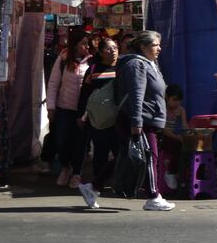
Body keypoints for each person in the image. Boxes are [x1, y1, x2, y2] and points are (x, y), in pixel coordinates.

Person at [117, 30, 175, 211]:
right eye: (155, 45)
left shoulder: (150, 63)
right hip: (142, 119)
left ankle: (92, 186)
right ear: (143, 47)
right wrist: (137, 123)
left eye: (159, 45)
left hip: (150, 119)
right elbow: (136, 95)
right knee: (150, 157)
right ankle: (153, 196)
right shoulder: (136, 64)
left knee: (131, 155)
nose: (159, 48)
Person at [77, 37, 120, 209]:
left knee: (120, 152)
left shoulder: (123, 68)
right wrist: (81, 115)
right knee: (100, 153)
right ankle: (97, 186)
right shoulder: (94, 69)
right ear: (101, 52)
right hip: (99, 120)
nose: (113, 51)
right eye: (109, 49)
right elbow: (85, 93)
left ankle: (115, 183)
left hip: (118, 119)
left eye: (115, 48)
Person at [46, 29, 91, 189]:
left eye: (87, 43)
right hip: (64, 108)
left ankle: (77, 173)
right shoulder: (63, 59)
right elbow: (53, 84)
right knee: (61, 140)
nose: (86, 47)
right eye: (83, 43)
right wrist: (51, 108)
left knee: (81, 143)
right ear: (75, 45)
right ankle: (66, 166)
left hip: (83, 111)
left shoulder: (92, 61)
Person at [160, 84, 188, 193]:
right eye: (174, 100)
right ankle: (171, 172)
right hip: (164, 137)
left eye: (179, 101)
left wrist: (186, 136)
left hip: (175, 137)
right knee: (176, 144)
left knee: (183, 147)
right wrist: (177, 137)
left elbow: (185, 126)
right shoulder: (163, 109)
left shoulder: (180, 110)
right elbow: (163, 129)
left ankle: (180, 175)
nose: (177, 103)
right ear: (167, 98)